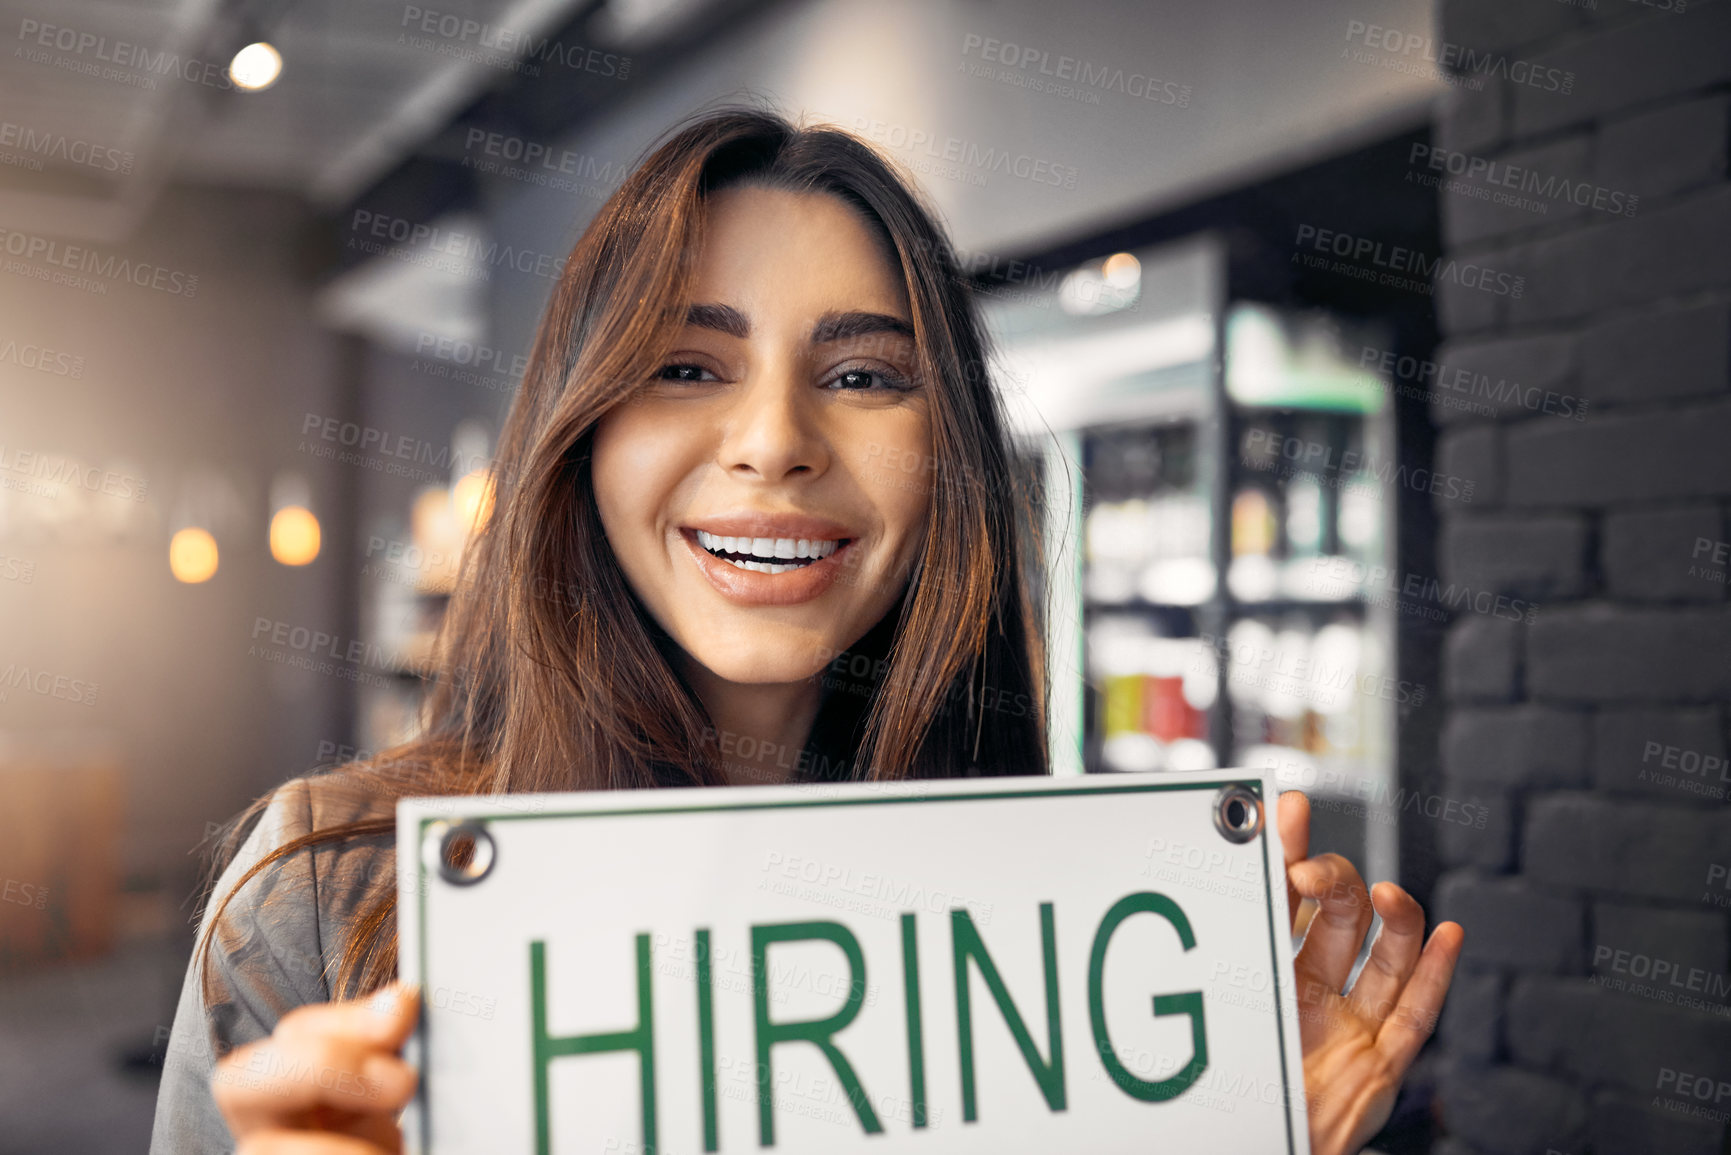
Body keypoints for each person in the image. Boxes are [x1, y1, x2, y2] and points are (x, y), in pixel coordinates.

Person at [150, 105, 1462, 1155]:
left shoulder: (1064, 924)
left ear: (942, 448)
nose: (776, 441)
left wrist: (1219, 1131)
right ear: (584, 428)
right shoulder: (325, 898)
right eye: (686, 365)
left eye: (862, 376)